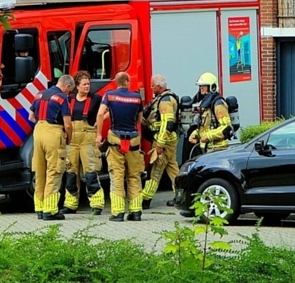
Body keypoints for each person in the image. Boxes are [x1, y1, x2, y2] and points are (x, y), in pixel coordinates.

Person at [96, 71, 144, 222]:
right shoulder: (137, 97)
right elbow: (139, 120)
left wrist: (98, 135)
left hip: (115, 140)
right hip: (133, 141)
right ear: (127, 82)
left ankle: (118, 213)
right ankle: (136, 212)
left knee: (117, 175)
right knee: (134, 175)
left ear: (117, 82)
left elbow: (100, 114)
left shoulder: (109, 95)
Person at [28, 74, 74, 220]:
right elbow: (67, 124)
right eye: (69, 90)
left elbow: (31, 117)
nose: (69, 93)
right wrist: (68, 138)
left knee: (40, 171)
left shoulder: (39, 94)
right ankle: (50, 210)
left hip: (38, 131)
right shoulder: (62, 98)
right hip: (53, 132)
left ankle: (39, 208)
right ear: (67, 86)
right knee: (54, 170)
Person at [62, 71, 105, 216]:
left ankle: (97, 203)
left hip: (88, 138)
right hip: (72, 139)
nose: (87, 87)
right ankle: (70, 204)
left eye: (88, 84)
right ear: (77, 86)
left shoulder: (96, 99)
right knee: (71, 172)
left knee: (91, 172)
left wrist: (98, 124)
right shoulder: (69, 99)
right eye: (84, 84)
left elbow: (106, 112)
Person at [140, 74, 181, 209]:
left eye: (152, 85)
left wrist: (159, 145)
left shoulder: (165, 100)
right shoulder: (164, 98)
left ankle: (145, 199)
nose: (151, 88)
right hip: (169, 140)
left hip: (163, 140)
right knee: (172, 168)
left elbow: (167, 123)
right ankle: (181, 196)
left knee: (155, 169)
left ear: (159, 86)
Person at [187, 72, 232, 158]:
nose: (201, 88)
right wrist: (196, 133)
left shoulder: (218, 104)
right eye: (200, 86)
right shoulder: (207, 104)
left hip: (218, 149)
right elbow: (207, 126)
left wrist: (208, 136)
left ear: (212, 87)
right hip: (209, 149)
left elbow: (226, 127)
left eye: (203, 85)